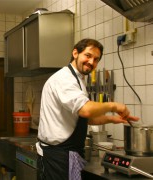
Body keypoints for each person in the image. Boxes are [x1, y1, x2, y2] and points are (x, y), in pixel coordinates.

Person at [36, 38, 139, 180]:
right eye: (88, 55)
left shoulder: (78, 80)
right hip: (57, 157)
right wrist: (113, 105)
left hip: (69, 154)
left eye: (96, 59)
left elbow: (84, 118)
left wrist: (112, 119)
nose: (91, 62)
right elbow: (85, 110)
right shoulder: (64, 79)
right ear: (75, 53)